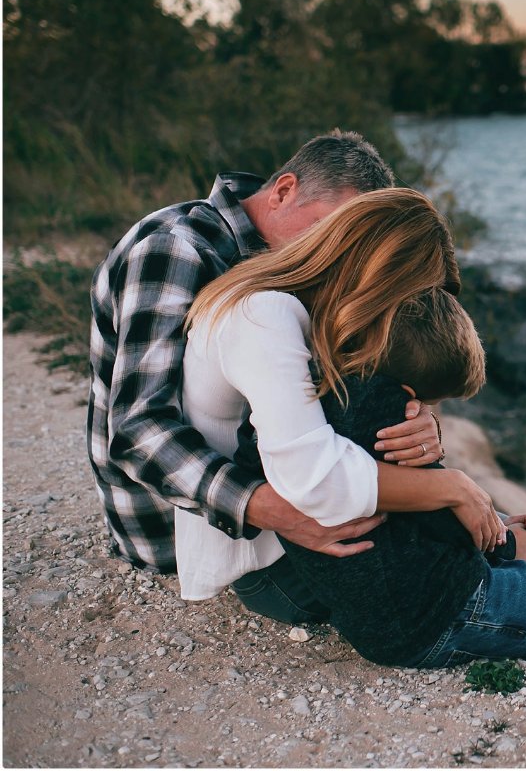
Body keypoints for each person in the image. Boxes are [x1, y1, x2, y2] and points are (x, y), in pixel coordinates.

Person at [181, 190, 526, 705]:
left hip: (349, 566)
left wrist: (424, 425)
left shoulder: (318, 339)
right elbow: (316, 480)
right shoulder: (267, 318)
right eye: (409, 299)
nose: (409, 314)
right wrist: (464, 500)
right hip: (281, 568)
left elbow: (350, 448)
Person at [86, 131, 484, 617]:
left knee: (446, 541)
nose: (338, 253)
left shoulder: (284, 266)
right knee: (440, 578)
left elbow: (331, 392)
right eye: (327, 229)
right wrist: (273, 509)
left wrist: (417, 422)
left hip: (275, 482)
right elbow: (136, 430)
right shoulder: (176, 251)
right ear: (282, 191)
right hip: (182, 532)